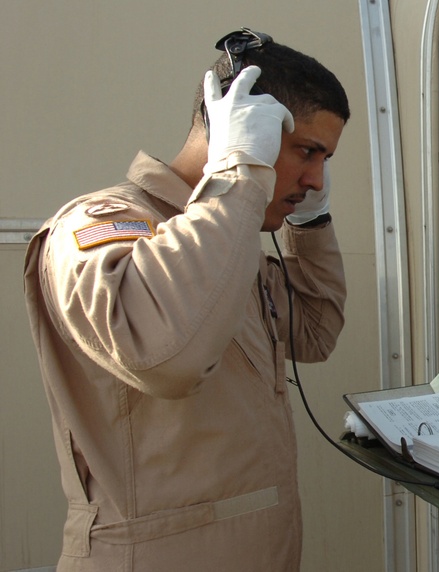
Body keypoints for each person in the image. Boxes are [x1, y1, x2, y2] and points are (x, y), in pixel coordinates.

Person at [23, 28, 349, 571]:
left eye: (325, 161)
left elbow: (314, 333)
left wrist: (310, 222)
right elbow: (164, 353)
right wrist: (240, 175)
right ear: (236, 129)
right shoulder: (102, 223)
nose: (314, 179)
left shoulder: (228, 232)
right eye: (306, 152)